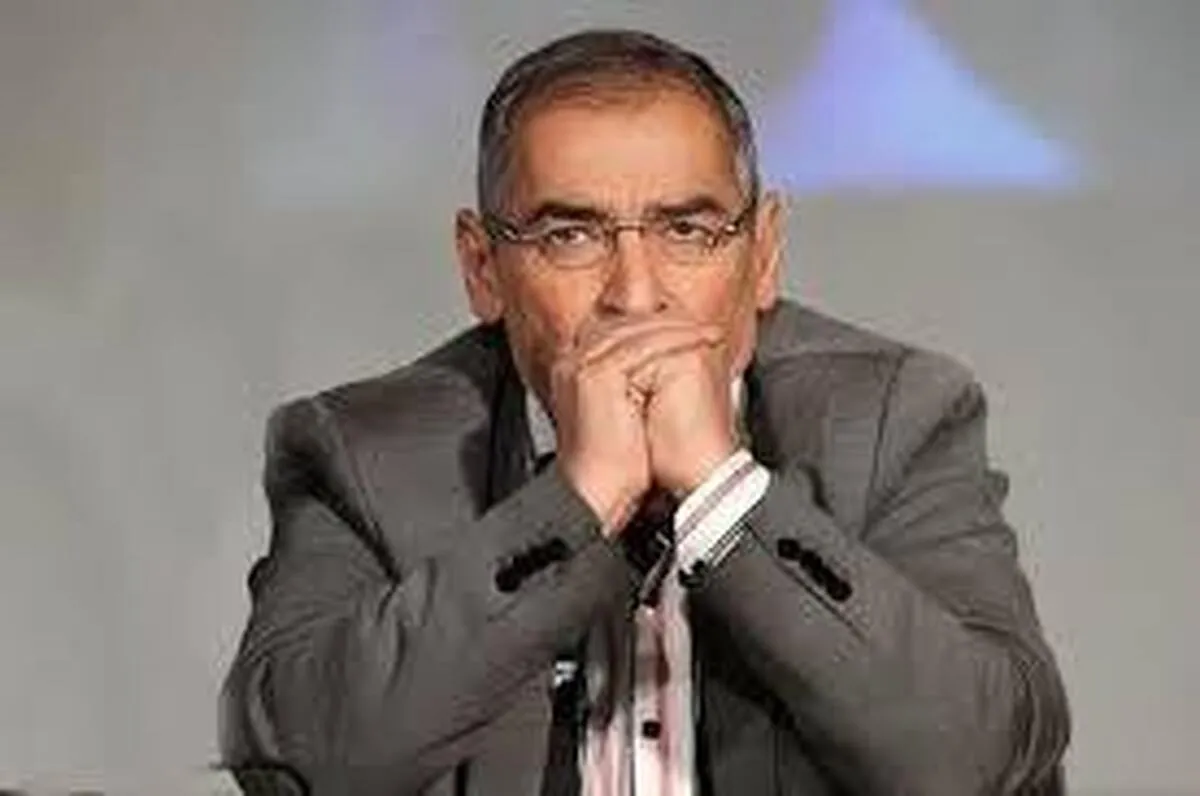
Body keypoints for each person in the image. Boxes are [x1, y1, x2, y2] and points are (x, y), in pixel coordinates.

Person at [220, 28, 1070, 796]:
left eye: (687, 231)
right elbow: (296, 766)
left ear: (763, 254)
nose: (635, 295)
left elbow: (980, 763)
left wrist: (725, 498)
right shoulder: (366, 453)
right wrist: (575, 504)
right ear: (482, 268)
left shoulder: (895, 421)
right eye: (570, 235)